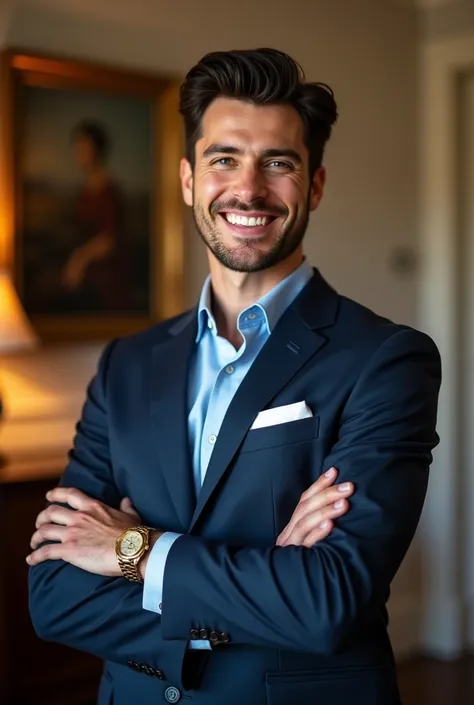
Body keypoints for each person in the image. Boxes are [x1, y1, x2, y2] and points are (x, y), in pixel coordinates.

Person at [27, 48, 441, 705]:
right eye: (225, 159)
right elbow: (53, 594)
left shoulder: (386, 360)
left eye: (278, 163)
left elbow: (328, 602)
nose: (248, 189)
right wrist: (264, 584)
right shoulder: (125, 364)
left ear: (316, 185)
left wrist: (134, 548)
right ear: (189, 179)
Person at [61, 119, 131, 310]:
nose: (78, 152)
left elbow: (109, 239)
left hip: (104, 276)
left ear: (96, 150)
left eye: (83, 146)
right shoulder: (84, 191)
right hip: (86, 273)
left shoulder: (109, 191)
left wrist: (79, 260)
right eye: (76, 147)